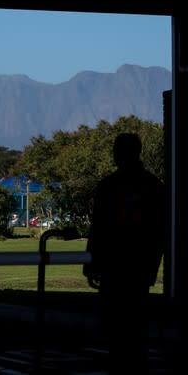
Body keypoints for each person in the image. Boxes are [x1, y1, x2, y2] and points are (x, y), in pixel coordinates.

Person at [83, 132, 166, 374]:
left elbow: (98, 228)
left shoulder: (109, 186)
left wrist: (91, 264)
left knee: (115, 326)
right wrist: (152, 266)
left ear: (119, 153)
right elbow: (159, 232)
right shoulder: (154, 185)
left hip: (114, 266)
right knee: (135, 325)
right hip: (139, 267)